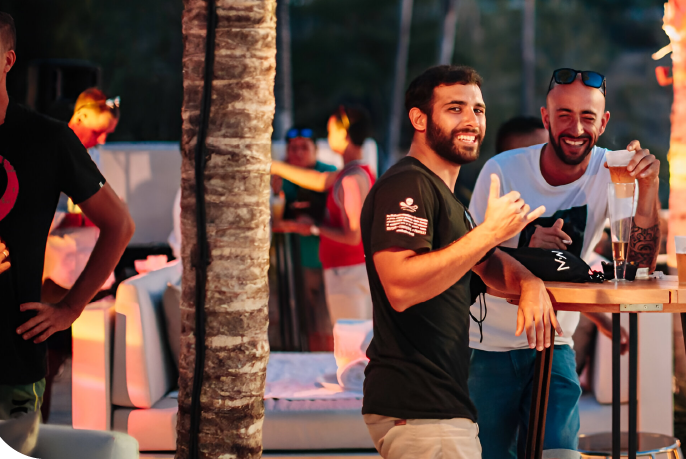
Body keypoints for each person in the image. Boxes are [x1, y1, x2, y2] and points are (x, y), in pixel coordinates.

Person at [360, 65, 558, 459]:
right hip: (420, 411)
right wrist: (490, 231)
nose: (471, 120)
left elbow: (489, 264)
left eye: (479, 110)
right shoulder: (408, 184)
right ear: (419, 118)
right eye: (455, 108)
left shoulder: (448, 200)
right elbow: (400, 287)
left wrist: (530, 283)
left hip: (439, 408)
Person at [468, 68, 657, 459]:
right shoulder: (501, 169)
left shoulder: (613, 171)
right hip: (488, 347)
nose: (576, 127)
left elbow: (638, 267)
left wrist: (650, 188)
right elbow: (472, 258)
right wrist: (527, 244)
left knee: (560, 455)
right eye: (565, 115)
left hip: (556, 345)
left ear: (603, 123)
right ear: (546, 117)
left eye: (588, 116)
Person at [0, 7, 135, 423]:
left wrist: (71, 308)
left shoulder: (48, 139)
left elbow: (119, 225)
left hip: (10, 366)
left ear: (7, 60)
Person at [40, 88, 122, 420]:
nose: (101, 140)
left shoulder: (94, 154)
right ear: (81, 116)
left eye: (107, 134)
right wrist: (95, 215)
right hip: (57, 278)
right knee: (47, 363)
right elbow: (42, 215)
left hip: (91, 280)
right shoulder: (51, 151)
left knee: (97, 369)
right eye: (98, 131)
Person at [272, 106, 374, 324]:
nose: (328, 137)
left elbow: (353, 236)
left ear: (344, 135)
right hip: (345, 273)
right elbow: (318, 181)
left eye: (331, 131)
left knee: (351, 345)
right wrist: (273, 166)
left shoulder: (351, 179)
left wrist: (314, 228)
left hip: (348, 275)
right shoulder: (350, 172)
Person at [274, 128, 338, 351]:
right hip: (293, 264)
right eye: (294, 148)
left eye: (304, 148)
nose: (299, 153)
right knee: (305, 323)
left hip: (328, 261)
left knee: (330, 323)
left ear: (315, 150)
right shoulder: (280, 178)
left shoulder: (329, 175)